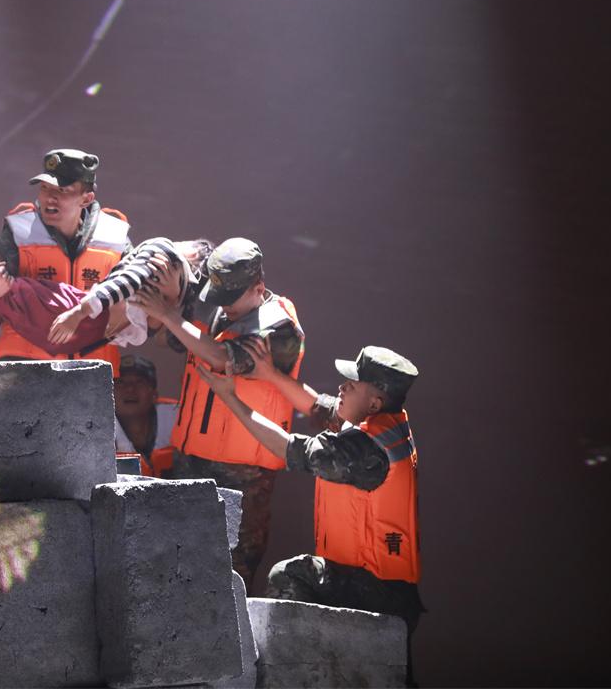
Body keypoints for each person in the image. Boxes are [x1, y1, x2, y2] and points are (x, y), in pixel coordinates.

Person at [196, 345, 423, 687]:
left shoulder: (365, 451)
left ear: (375, 403)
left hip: (376, 591)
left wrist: (230, 398)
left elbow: (288, 448)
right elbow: (318, 405)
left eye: (352, 384)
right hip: (372, 580)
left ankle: (282, 678)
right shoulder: (382, 424)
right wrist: (270, 374)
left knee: (290, 576)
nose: (342, 387)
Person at [131, 237, 304, 587]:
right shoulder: (220, 306)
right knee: (176, 566)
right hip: (190, 462)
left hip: (242, 477)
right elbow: (170, 339)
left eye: (231, 299)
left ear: (258, 288)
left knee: (227, 575)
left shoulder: (279, 328)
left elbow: (222, 358)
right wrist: (172, 298)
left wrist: (169, 314)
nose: (223, 306)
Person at [0, 237, 213, 362]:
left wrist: (78, 312)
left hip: (75, 317)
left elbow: (119, 285)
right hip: (71, 334)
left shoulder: (161, 254)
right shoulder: (169, 284)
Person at [0, 148, 133, 374]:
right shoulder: (17, 233)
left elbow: (140, 311)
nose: (49, 197)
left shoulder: (115, 236)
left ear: (86, 198)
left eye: (62, 190)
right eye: (45, 188)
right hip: (25, 370)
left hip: (93, 372)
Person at [113, 355, 179, 476]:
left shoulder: (177, 418)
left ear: (154, 394)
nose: (130, 389)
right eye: (120, 382)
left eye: (139, 382)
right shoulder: (97, 430)